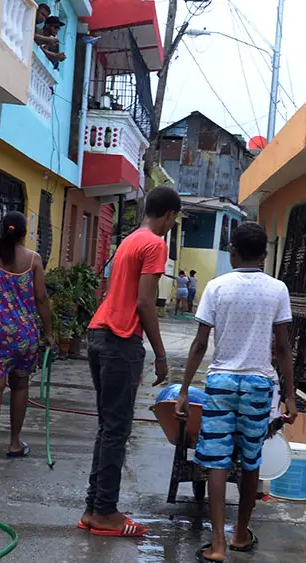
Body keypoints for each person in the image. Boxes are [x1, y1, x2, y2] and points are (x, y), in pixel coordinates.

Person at [175, 222, 298, 563]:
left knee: (215, 460)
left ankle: (216, 545)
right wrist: (289, 397)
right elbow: (284, 349)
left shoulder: (216, 287)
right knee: (250, 460)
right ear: (264, 254)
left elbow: (200, 344)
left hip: (222, 384)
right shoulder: (278, 290)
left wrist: (184, 389)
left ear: (233, 252)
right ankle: (240, 533)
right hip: (260, 385)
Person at [78, 186, 181, 537]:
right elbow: (145, 303)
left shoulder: (130, 239)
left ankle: (95, 508)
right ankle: (105, 511)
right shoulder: (154, 243)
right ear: (168, 215)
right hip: (121, 340)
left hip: (99, 333)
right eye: (173, 219)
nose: (171, 224)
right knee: (116, 429)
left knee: (108, 427)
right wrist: (162, 355)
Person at [0, 212, 56, 461]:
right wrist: (48, 331)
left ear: (3, 229)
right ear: (24, 233)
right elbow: (41, 299)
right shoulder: (34, 260)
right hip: (23, 333)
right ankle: (14, 443)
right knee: (19, 385)